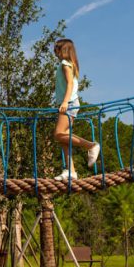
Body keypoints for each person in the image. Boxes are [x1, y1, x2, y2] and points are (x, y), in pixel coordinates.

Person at [52, 38, 100, 181]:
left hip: (69, 103)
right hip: (68, 103)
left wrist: (65, 101)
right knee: (63, 139)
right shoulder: (67, 64)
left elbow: (70, 85)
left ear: (63, 50)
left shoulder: (65, 64)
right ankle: (71, 171)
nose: (55, 52)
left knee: (58, 134)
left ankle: (91, 146)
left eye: (57, 49)